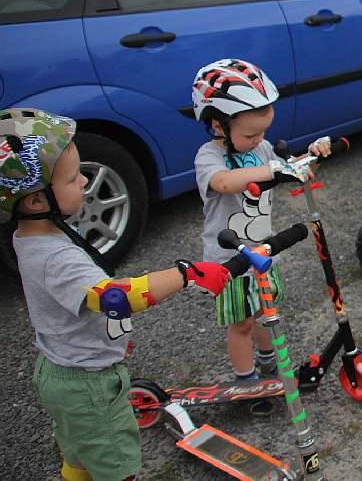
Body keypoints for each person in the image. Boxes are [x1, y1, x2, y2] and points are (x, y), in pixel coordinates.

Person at [1, 107, 231, 481]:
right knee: (115, 466)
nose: (83, 184)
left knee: (79, 454)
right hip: (88, 383)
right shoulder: (54, 256)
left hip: (62, 368)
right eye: (74, 178)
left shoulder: (33, 237)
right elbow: (115, 298)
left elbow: (79, 306)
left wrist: (110, 339)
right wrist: (187, 273)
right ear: (36, 201)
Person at [191, 58, 330, 415]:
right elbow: (224, 182)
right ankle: (247, 381)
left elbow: (292, 171)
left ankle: (268, 363)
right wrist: (270, 167)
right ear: (217, 125)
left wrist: (310, 156)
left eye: (263, 133)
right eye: (250, 134)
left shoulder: (260, 150)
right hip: (228, 260)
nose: (259, 141)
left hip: (264, 251)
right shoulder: (209, 157)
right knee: (241, 324)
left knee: (267, 313)